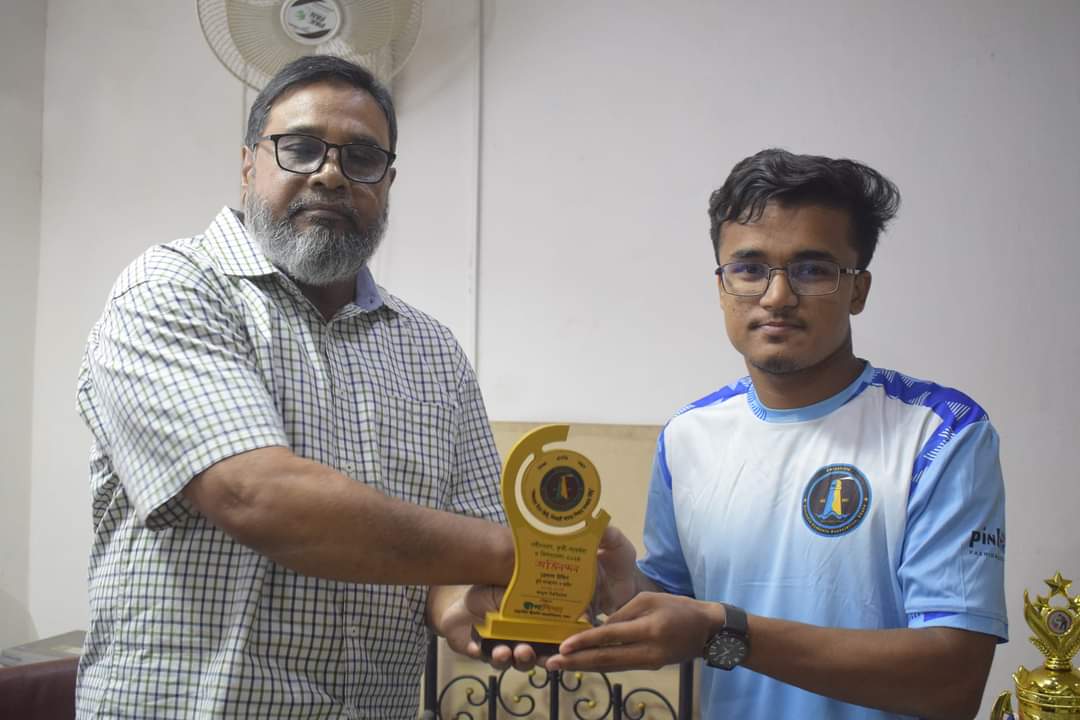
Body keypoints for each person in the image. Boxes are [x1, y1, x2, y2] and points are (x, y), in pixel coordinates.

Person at [74, 55, 537, 718]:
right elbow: (257, 496)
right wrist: (535, 554)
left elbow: (461, 546)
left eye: (362, 157)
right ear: (248, 165)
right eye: (300, 148)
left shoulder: (434, 351)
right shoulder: (171, 289)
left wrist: (460, 601)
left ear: (388, 183)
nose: (330, 174)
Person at [547, 149, 1007, 720]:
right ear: (722, 286)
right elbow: (681, 614)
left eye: (813, 270)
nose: (777, 296)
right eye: (749, 269)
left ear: (858, 290)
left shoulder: (941, 433)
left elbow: (953, 680)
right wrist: (625, 588)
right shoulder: (689, 435)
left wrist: (724, 630)